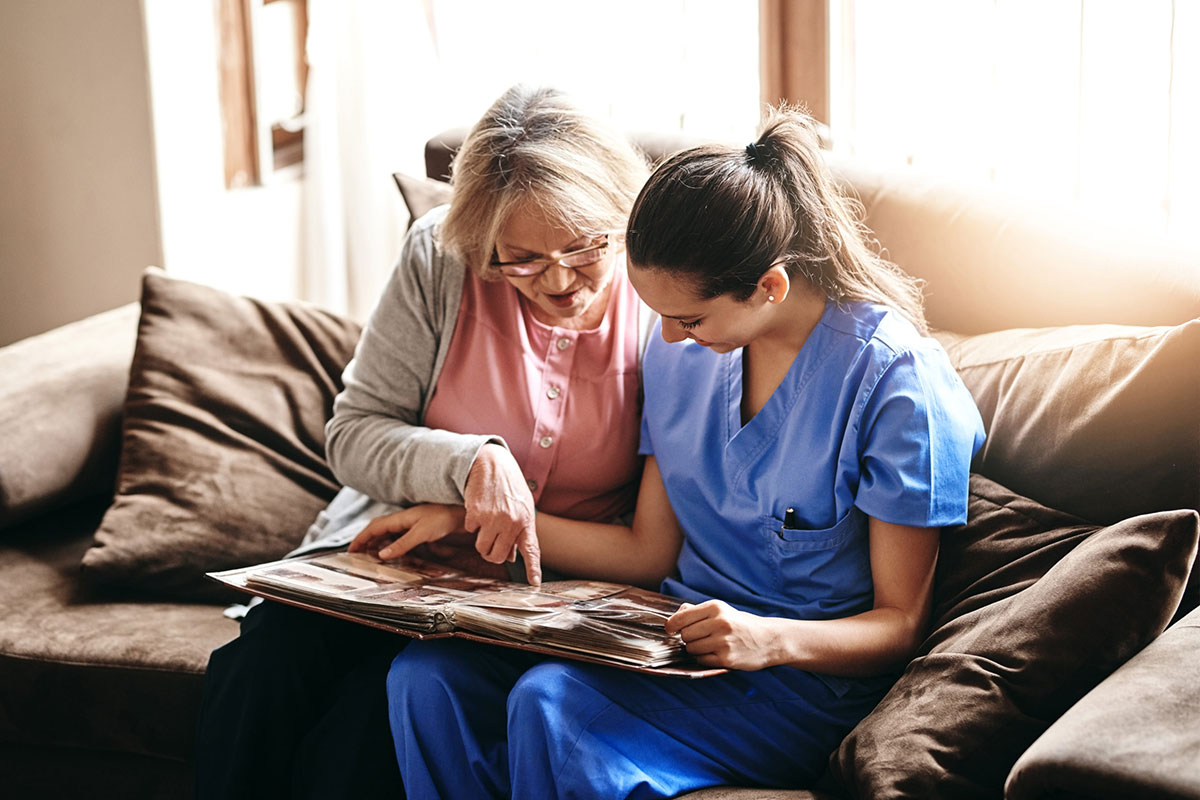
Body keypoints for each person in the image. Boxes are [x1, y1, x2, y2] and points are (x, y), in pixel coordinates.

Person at [383, 107, 987, 799]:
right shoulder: (683, 355)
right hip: (667, 641)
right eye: (656, 314)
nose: (664, 340)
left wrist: (768, 639)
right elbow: (648, 554)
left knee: (551, 705)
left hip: (800, 678)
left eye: (688, 319)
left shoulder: (898, 386)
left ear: (769, 286)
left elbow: (900, 624)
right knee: (426, 679)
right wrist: (465, 518)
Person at [193, 84, 653, 800]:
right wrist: (469, 462)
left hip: (532, 596)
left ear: (622, 216)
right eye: (521, 260)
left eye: (584, 246)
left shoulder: (666, 301)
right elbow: (353, 434)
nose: (559, 280)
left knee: (362, 733)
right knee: (262, 668)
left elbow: (657, 537)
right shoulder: (440, 260)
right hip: (393, 570)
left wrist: (472, 519)